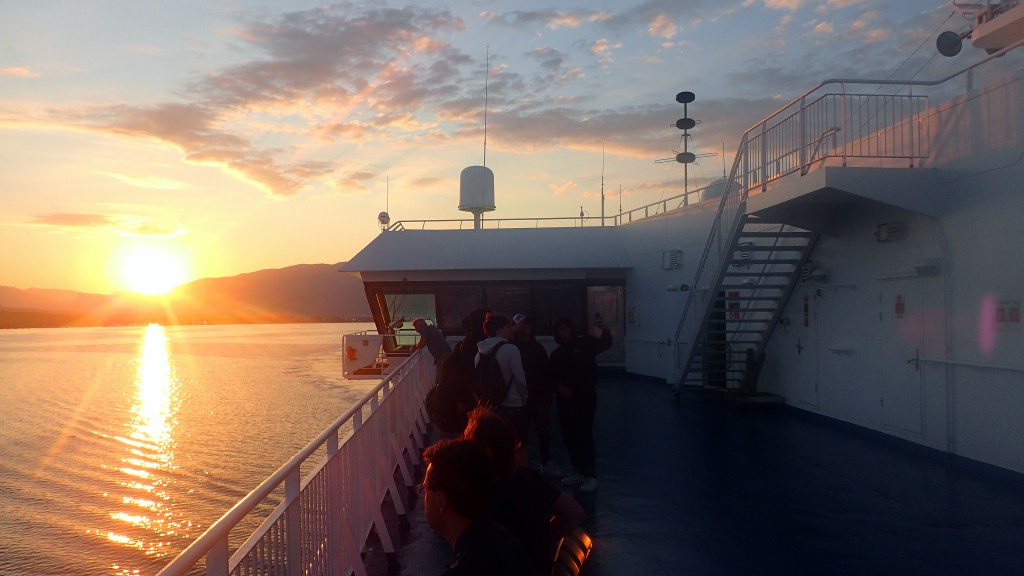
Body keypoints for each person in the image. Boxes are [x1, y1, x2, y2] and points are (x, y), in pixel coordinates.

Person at [462, 405, 584, 576]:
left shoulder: (482, 495)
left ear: (483, 451)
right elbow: (574, 513)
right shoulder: (528, 478)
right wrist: (542, 539)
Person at [421, 438, 537, 576]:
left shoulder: (464, 569)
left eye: (425, 490)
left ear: (441, 500)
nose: (424, 498)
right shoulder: (503, 538)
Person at [549, 316, 612, 493]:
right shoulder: (556, 354)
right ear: (556, 333)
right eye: (561, 329)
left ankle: (590, 475)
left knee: (584, 434)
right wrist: (559, 387)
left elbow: (606, 344)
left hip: (585, 397)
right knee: (569, 435)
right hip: (565, 400)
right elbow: (551, 376)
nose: (565, 331)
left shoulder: (586, 343)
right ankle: (577, 471)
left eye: (567, 327)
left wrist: (605, 329)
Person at [511, 314, 559, 477]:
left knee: (543, 431)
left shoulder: (537, 348)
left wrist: (549, 393)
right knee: (520, 432)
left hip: (539, 397)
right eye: (522, 324)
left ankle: (546, 463)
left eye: (528, 324)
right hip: (520, 399)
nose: (526, 327)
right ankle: (521, 465)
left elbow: (547, 370)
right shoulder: (511, 348)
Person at [476, 313, 529, 451]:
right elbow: (520, 380)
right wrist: (524, 398)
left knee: (498, 446)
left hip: (491, 406)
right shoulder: (511, 349)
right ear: (499, 330)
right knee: (519, 446)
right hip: (513, 404)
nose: (511, 330)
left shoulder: (479, 353)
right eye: (508, 327)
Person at [413, 317, 452, 384]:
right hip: (446, 355)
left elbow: (422, 343)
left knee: (439, 379)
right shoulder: (431, 328)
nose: (416, 331)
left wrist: (414, 348)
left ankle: (439, 389)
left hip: (442, 357)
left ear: (420, 326)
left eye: (416, 328)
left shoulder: (426, 330)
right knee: (444, 376)